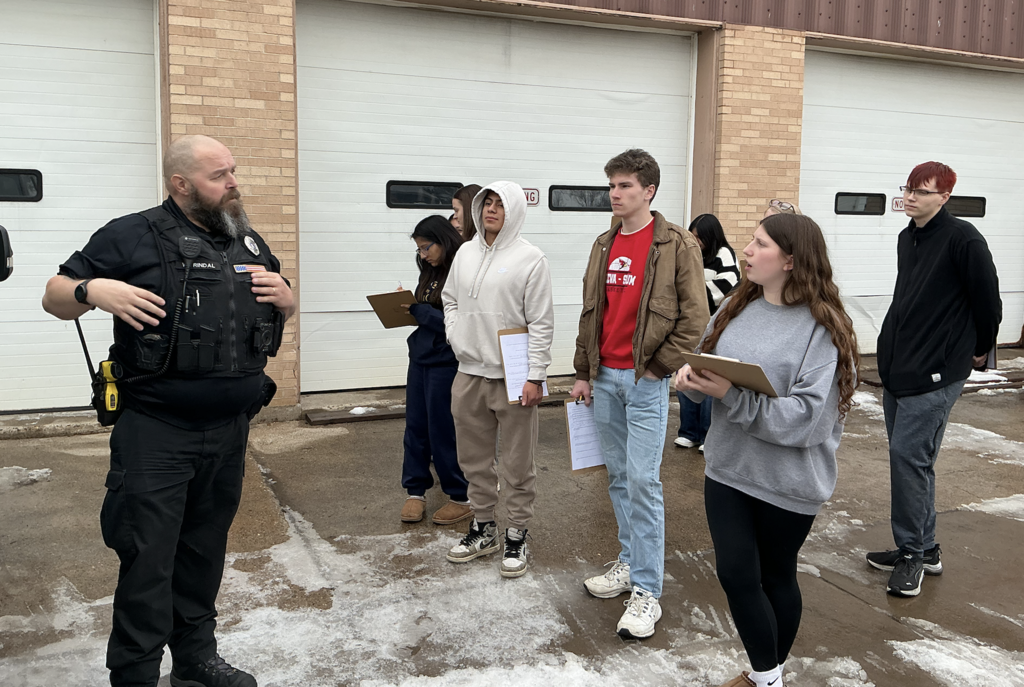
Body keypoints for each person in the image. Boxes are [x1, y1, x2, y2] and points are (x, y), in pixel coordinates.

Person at [41, 135, 293, 687]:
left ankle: (197, 660)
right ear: (180, 185)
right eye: (218, 175)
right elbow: (54, 294)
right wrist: (93, 290)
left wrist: (288, 299)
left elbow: (274, 306)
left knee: (203, 555)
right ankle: (135, 675)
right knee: (148, 561)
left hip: (229, 431)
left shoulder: (245, 239)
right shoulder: (131, 234)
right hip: (156, 433)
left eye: (233, 171)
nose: (234, 183)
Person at [676, 212, 859, 687]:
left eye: (759, 245)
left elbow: (807, 420)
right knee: (736, 573)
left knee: (777, 576)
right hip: (728, 468)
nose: (746, 251)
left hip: (789, 480)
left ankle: (763, 676)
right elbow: (705, 363)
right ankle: (769, 675)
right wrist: (691, 382)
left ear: (792, 260)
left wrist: (729, 395)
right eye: (749, 242)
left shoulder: (824, 330)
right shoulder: (737, 303)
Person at [571, 149, 708, 639]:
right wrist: (583, 369)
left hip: (644, 380)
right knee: (618, 477)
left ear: (648, 190)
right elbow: (592, 309)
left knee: (644, 484)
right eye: (612, 185)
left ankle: (648, 590)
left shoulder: (677, 244)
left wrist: (658, 368)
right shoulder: (603, 243)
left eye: (625, 185)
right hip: (604, 377)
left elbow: (696, 317)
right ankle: (630, 562)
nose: (615, 193)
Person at [866, 161, 1001, 597]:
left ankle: (911, 556)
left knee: (909, 459)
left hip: (938, 372)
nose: (910, 197)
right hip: (900, 367)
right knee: (913, 463)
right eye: (907, 188)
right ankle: (926, 548)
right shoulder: (909, 237)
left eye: (921, 192)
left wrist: (980, 349)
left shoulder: (964, 239)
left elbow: (988, 300)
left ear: (944, 197)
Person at [441, 181, 554, 578]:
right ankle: (484, 526)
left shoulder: (531, 259)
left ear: (515, 211)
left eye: (499, 205)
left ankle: (517, 532)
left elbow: (541, 322)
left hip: (514, 375)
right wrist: (456, 333)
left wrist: (535, 375)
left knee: (518, 462)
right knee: (473, 460)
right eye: (486, 203)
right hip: (469, 371)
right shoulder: (465, 253)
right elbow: (450, 299)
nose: (491, 210)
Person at [399, 215, 473, 526]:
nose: (422, 254)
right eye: (418, 249)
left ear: (443, 241)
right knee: (415, 426)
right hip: (420, 357)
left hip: (447, 361)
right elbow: (428, 313)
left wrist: (421, 312)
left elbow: (459, 324)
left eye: (426, 247)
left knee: (443, 428)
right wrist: (406, 306)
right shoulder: (428, 272)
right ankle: (415, 491)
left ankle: (460, 495)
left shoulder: (462, 273)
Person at [674, 213, 740, 452]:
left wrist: (692, 294)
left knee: (709, 379)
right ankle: (688, 432)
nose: (696, 241)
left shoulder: (724, 254)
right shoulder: (690, 254)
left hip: (714, 327)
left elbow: (727, 287)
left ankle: (707, 435)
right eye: (693, 236)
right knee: (688, 376)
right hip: (690, 327)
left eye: (700, 237)